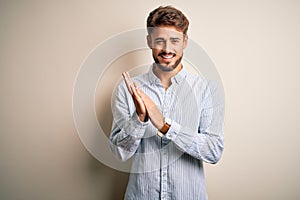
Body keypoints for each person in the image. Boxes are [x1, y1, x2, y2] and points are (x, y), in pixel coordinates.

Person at [109, 5, 224, 200]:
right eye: (160, 40)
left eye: (174, 40)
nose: (167, 49)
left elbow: (213, 151)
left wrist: (165, 126)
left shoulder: (206, 90)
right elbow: (120, 153)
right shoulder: (127, 89)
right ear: (149, 41)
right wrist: (139, 118)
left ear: (185, 41)